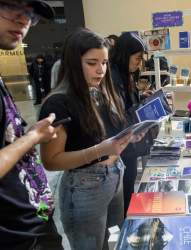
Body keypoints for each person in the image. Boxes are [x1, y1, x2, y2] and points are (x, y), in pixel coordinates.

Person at [38, 28, 141, 250]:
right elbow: (52, 160)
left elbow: (109, 133)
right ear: (74, 63)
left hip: (115, 175)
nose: (101, 70)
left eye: (104, 63)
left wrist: (129, 136)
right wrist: (100, 150)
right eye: (92, 63)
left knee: (116, 241)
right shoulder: (58, 103)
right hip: (85, 187)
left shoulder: (101, 91)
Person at [0, 1, 65, 249]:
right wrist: (32, 137)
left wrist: (24, 135)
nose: (23, 19)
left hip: (34, 219)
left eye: (30, 14)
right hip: (17, 235)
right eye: (10, 6)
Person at [110, 32, 157, 214]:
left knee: (129, 187)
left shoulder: (125, 74)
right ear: (125, 54)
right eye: (137, 58)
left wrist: (139, 97)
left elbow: (127, 102)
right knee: (125, 193)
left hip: (128, 144)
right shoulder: (113, 77)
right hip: (121, 145)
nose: (139, 63)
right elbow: (118, 112)